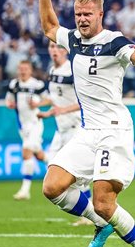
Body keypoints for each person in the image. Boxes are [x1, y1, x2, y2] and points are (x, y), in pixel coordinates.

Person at [38, 0, 135, 247]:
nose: (81, 19)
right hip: (87, 131)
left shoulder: (114, 41)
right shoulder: (74, 40)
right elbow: (50, 27)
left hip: (114, 131)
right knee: (52, 187)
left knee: (104, 201)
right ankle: (101, 223)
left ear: (100, 15)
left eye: (87, 15)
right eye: (78, 14)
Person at [36, 42, 93, 226]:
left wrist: (64, 110)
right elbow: (55, 100)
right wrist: (47, 111)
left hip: (75, 127)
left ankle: (88, 215)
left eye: (57, 47)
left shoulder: (72, 70)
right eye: (51, 47)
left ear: (65, 51)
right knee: (51, 166)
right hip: (60, 130)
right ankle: (89, 212)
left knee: (75, 175)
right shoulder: (53, 71)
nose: (53, 50)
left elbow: (85, 100)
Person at [5, 60, 48, 200]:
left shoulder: (37, 84)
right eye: (21, 68)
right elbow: (8, 100)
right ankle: (54, 163)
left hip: (35, 123)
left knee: (26, 152)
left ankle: (25, 190)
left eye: (25, 68)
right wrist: (9, 104)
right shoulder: (14, 84)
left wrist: (38, 103)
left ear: (30, 70)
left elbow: (49, 100)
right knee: (38, 155)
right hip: (23, 127)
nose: (23, 71)